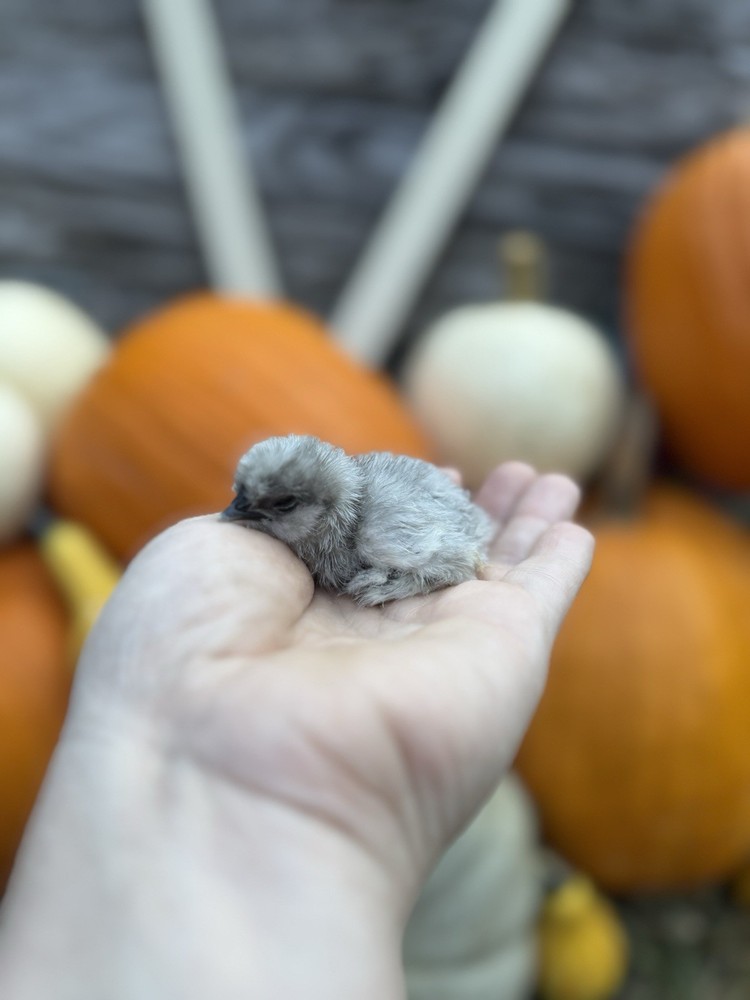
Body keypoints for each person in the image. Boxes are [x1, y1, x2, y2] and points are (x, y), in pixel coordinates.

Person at [0, 461, 593, 999]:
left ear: (321, 506)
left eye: (272, 506)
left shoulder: (377, 526)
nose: (236, 513)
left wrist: (398, 581)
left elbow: (459, 550)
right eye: (241, 497)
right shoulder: (286, 532)